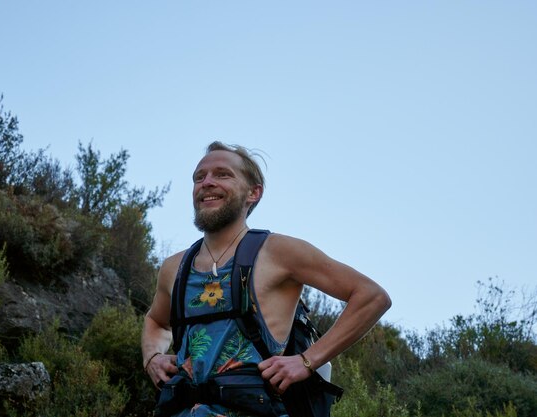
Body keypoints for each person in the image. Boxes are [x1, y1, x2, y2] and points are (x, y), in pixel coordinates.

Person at [142, 141, 392, 417]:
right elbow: (156, 321)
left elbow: (371, 296)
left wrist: (307, 361)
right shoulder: (175, 267)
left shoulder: (278, 252)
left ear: (254, 192)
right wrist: (152, 357)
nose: (207, 182)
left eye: (223, 174)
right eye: (199, 177)